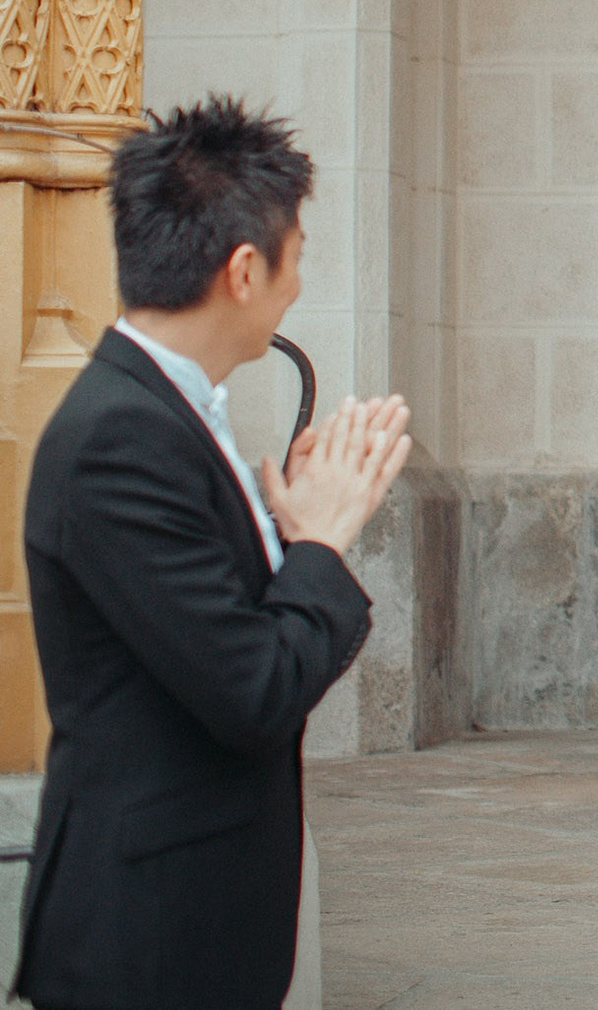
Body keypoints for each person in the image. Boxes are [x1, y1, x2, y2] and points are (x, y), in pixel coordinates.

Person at [15, 98, 412, 1010]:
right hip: (144, 938)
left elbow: (189, 622)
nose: (298, 286)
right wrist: (320, 541)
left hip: (186, 923)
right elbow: (252, 691)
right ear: (244, 269)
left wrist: (278, 532)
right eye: (297, 258)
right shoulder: (120, 437)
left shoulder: (167, 411)